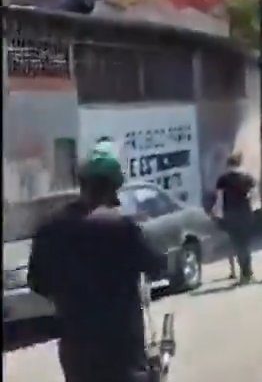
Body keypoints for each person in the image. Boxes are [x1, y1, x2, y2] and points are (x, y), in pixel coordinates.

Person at [27, 144, 165, 382]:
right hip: (122, 350)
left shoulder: (49, 229)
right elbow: (157, 265)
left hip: (76, 348)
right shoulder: (122, 228)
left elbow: (37, 282)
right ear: (114, 188)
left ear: (82, 184)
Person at [214, 152, 256, 285]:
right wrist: (252, 206)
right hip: (245, 214)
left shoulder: (223, 180)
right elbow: (254, 194)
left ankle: (244, 274)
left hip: (230, 214)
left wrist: (218, 214)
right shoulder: (247, 177)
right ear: (239, 163)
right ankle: (248, 273)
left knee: (237, 245)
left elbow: (220, 199)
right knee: (246, 244)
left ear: (228, 164)